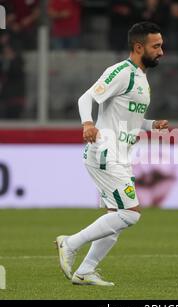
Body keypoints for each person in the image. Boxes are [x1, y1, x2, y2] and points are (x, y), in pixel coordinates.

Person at [55, 22, 168, 286]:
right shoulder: (121, 72)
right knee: (130, 214)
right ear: (139, 47)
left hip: (120, 155)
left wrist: (152, 125)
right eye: (157, 46)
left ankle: (85, 271)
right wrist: (87, 123)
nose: (162, 51)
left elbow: (129, 118)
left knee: (115, 217)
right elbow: (86, 98)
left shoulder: (141, 77)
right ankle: (70, 243)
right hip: (105, 152)